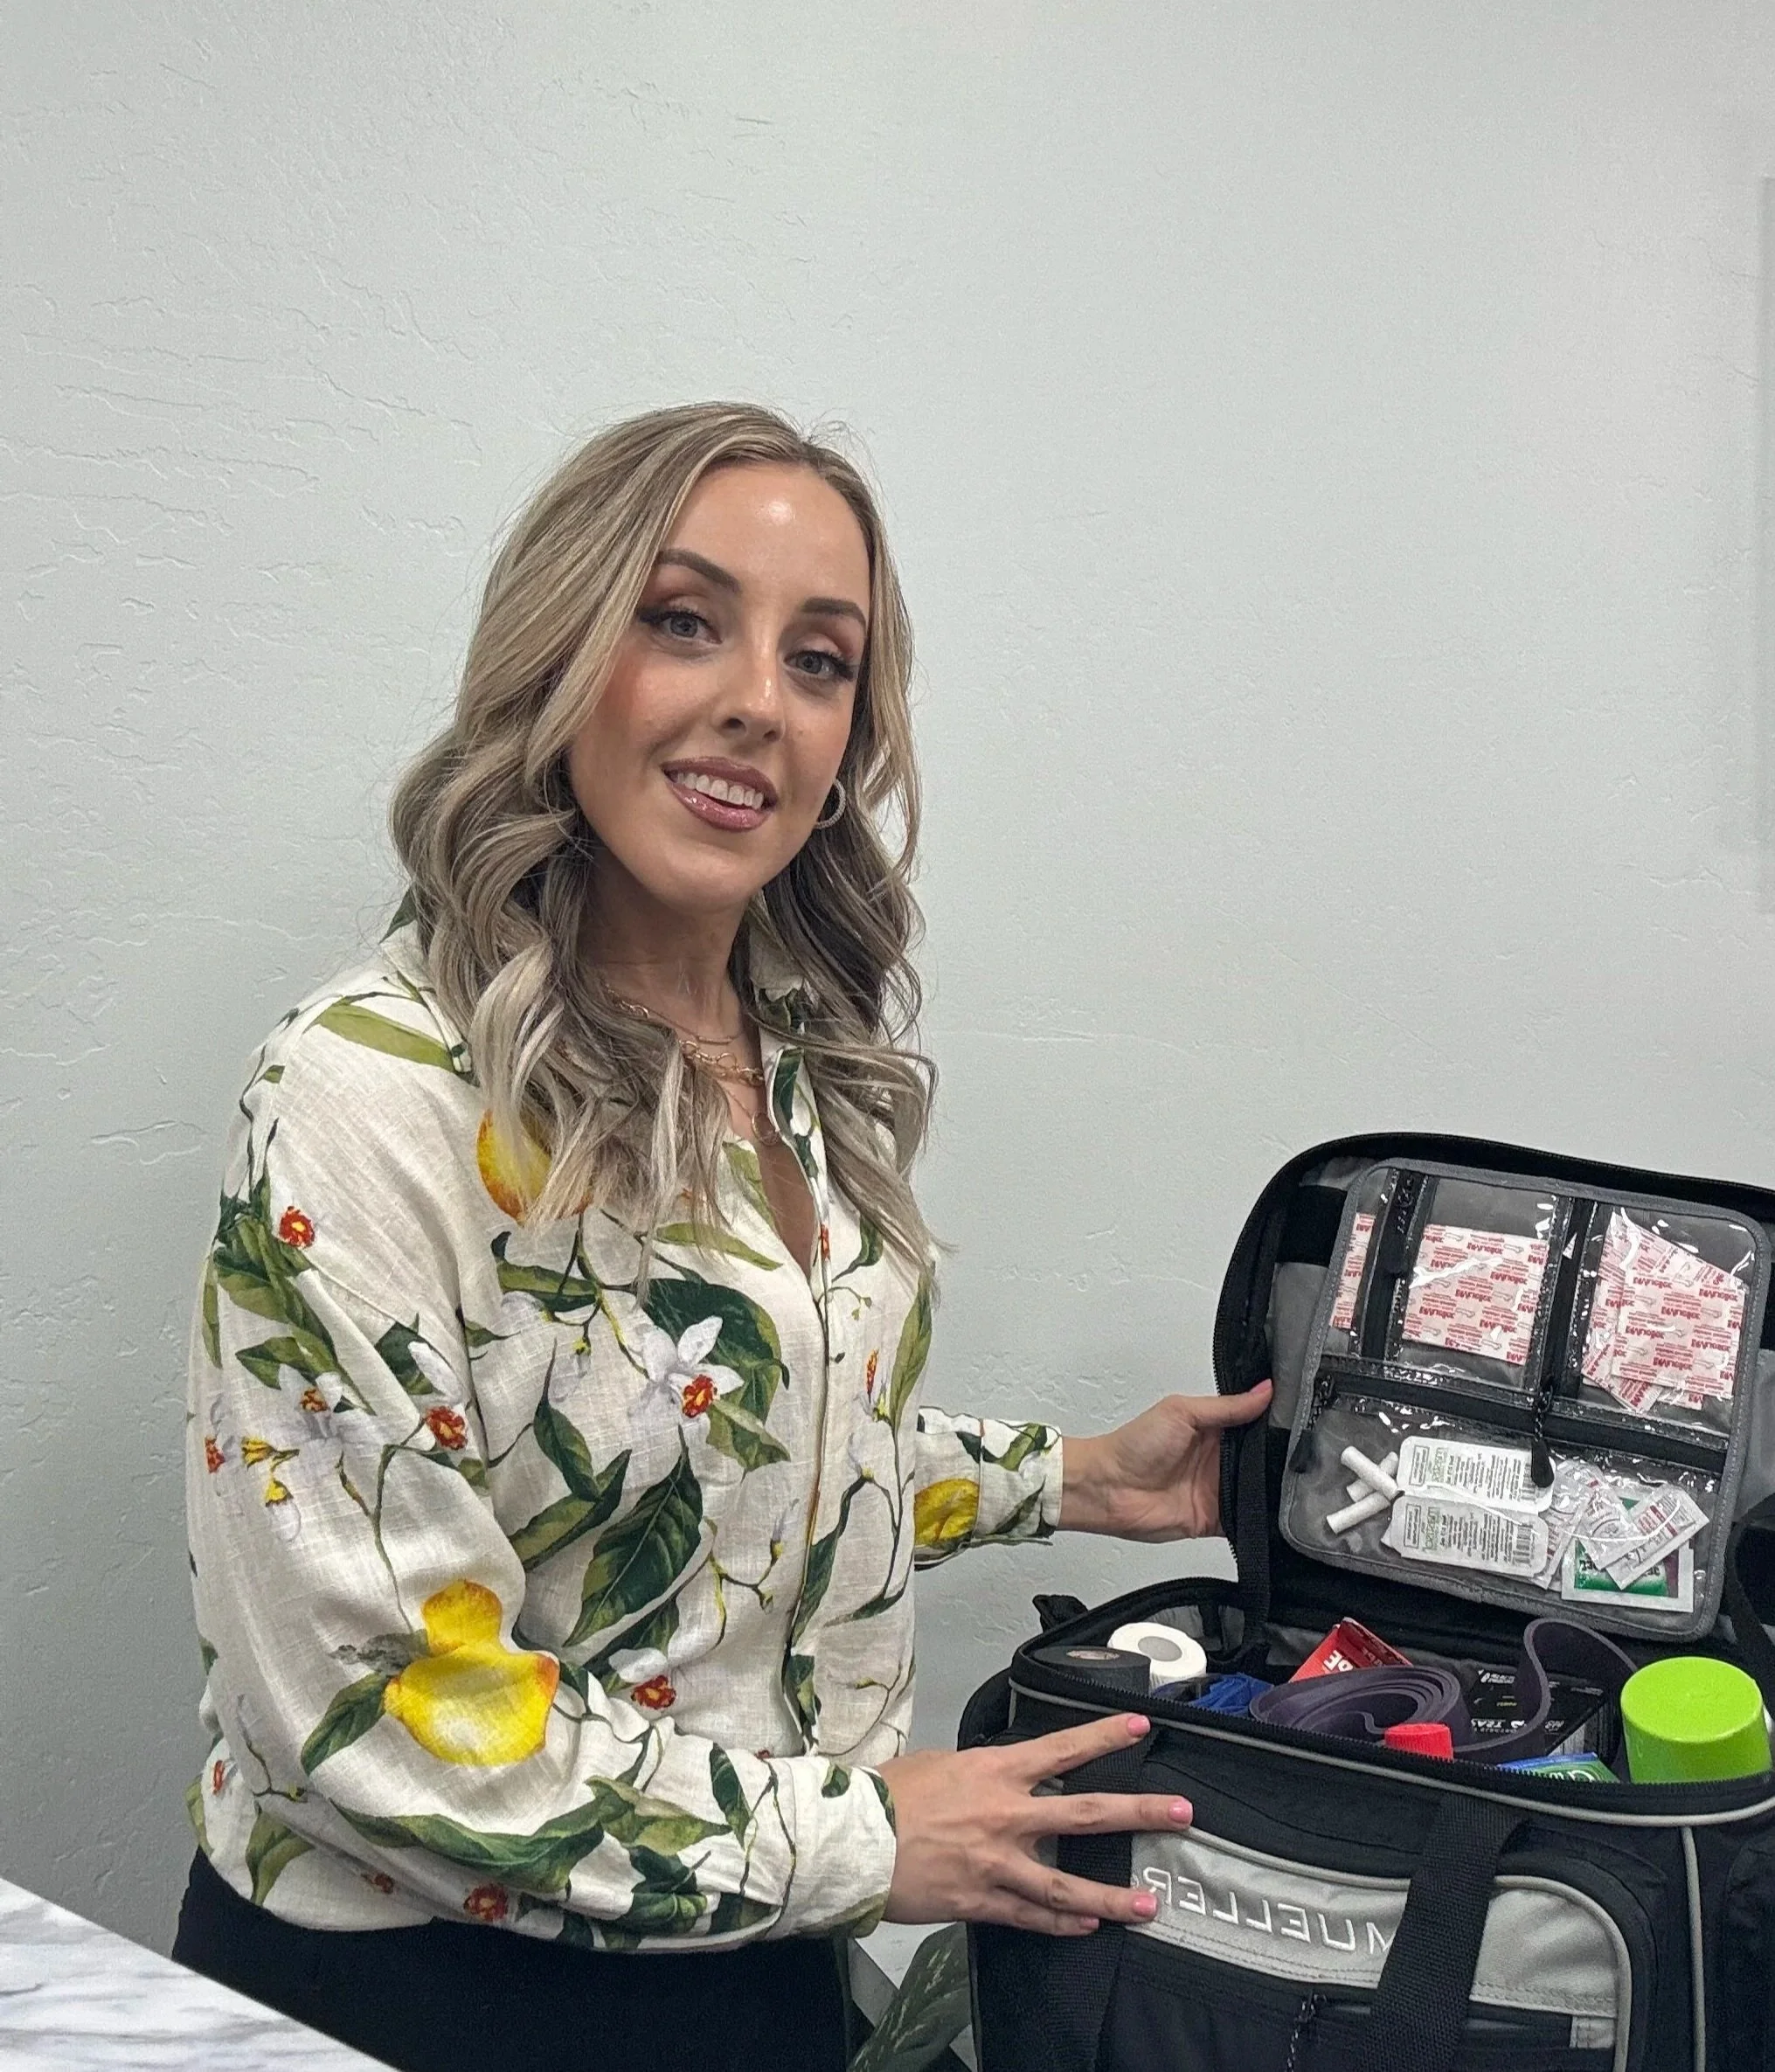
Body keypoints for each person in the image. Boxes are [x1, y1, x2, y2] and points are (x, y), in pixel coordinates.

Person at [171, 402, 1271, 2072]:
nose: (758, 698)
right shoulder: (365, 1091)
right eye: (683, 620)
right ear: (560, 652)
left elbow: (713, 1467)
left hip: (748, 1972)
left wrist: (1072, 1479)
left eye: (820, 660)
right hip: (434, 1997)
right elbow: (373, 1701)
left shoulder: (802, 1058)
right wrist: (863, 1840)